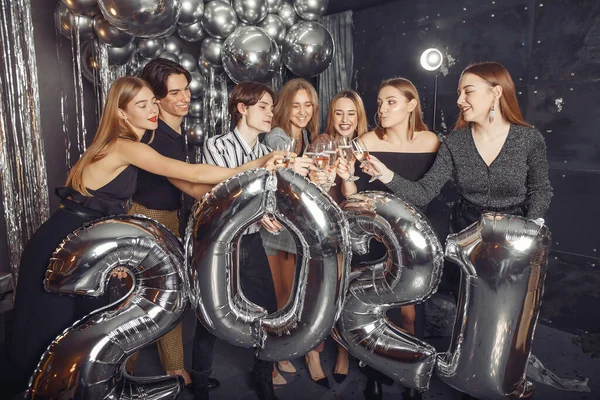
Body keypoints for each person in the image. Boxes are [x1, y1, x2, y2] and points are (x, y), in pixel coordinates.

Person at [0, 76, 279, 396]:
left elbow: (191, 186)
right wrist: (258, 166)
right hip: (62, 243)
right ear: (121, 113)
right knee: (46, 337)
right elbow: (194, 173)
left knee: (73, 336)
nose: (152, 109)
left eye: (152, 102)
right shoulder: (125, 146)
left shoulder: (137, 146)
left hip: (84, 244)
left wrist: (240, 187)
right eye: (141, 105)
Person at [360, 63, 552, 399]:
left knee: (511, 320)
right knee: (472, 316)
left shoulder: (528, 138)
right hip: (471, 237)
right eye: (460, 91)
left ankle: (506, 382)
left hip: (518, 238)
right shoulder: (455, 142)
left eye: (468, 91)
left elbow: (541, 190)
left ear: (496, 93)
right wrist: (384, 173)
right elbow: (423, 193)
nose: (460, 98)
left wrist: (531, 228)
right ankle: (473, 382)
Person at [196, 81, 309, 400]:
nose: (270, 113)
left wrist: (268, 212)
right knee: (210, 315)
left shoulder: (265, 151)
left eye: (272, 108)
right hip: (217, 243)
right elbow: (222, 196)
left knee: (269, 310)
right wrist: (258, 208)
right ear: (242, 108)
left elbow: (268, 197)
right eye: (263, 107)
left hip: (250, 240)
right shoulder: (216, 146)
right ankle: (201, 384)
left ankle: (263, 377)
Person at [337, 78, 439, 400]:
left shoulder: (432, 142)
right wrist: (345, 180)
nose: (381, 109)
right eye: (379, 103)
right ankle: (374, 376)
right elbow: (354, 196)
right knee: (374, 312)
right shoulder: (366, 140)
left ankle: (412, 379)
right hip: (375, 237)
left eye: (391, 102)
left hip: (413, 240)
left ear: (411, 105)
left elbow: (427, 196)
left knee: (409, 313)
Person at [123, 59, 214, 390]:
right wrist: (241, 182)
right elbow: (190, 183)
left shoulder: (174, 131)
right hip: (148, 219)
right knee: (143, 304)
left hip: (168, 218)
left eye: (186, 89)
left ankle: (175, 370)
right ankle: (118, 376)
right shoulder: (155, 136)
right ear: (157, 99)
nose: (185, 97)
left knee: (165, 299)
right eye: (174, 92)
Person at [304, 90, 369, 387]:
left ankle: (344, 350)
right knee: (323, 291)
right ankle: (314, 353)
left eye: (351, 114)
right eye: (339, 113)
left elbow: (358, 196)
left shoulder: (366, 146)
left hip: (358, 229)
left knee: (348, 291)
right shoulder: (321, 143)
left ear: (359, 117)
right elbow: (309, 190)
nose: (344, 120)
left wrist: (349, 178)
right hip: (326, 227)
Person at [260, 78, 320, 379]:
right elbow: (275, 179)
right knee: (277, 294)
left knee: (291, 294)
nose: (302, 111)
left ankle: (281, 351)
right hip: (275, 224)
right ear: (285, 107)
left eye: (307, 105)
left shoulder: (306, 138)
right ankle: (271, 362)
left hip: (294, 226)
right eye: (296, 105)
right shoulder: (278, 137)